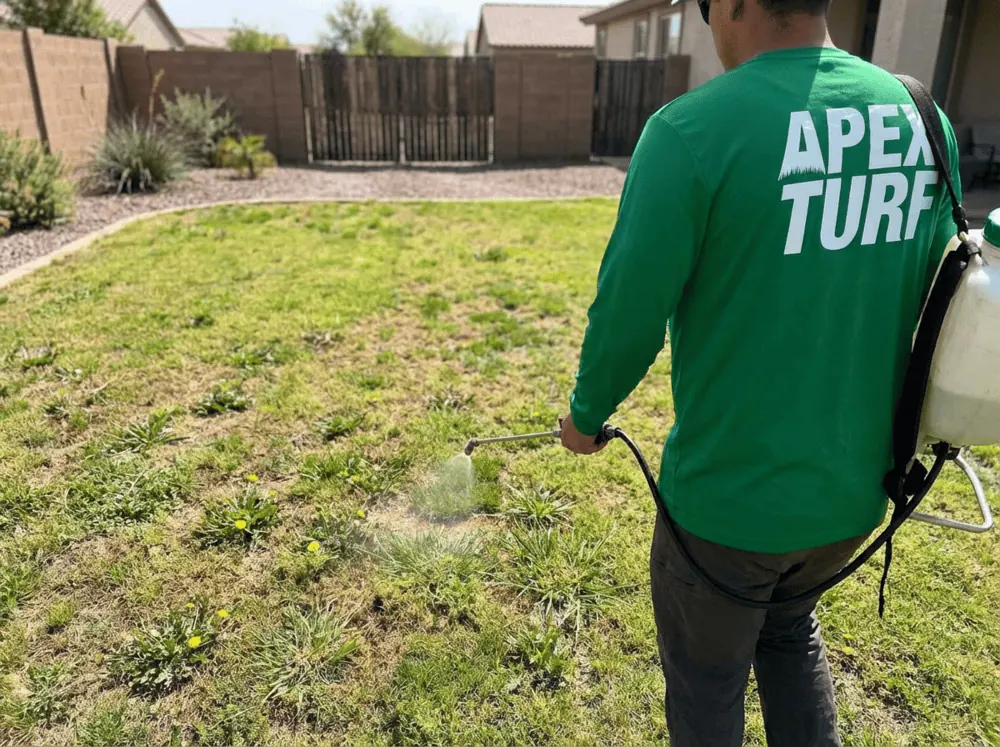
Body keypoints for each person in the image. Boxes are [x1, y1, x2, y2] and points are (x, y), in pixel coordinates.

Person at [559, 0, 961, 745]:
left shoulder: (689, 132)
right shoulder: (922, 119)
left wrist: (585, 418)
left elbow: (629, 313)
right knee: (787, 631)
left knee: (709, 683)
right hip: (850, 500)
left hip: (724, 510)